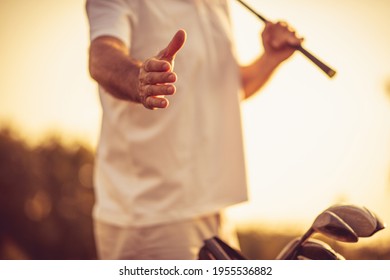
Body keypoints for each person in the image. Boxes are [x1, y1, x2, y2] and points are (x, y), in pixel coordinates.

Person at [86, 0, 302, 260]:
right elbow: (101, 57)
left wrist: (270, 59)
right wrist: (138, 80)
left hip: (215, 212)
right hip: (150, 217)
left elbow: (231, 89)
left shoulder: (218, 4)